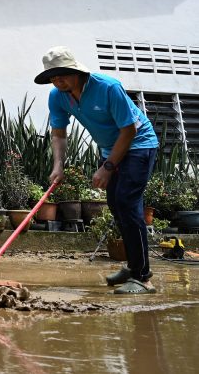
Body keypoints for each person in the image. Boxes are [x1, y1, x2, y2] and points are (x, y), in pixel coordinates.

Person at [35, 46, 159, 294]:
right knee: (116, 205)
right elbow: (59, 133)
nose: (57, 80)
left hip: (139, 145)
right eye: (53, 76)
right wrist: (58, 164)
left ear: (77, 71)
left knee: (126, 202)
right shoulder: (57, 96)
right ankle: (134, 267)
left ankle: (143, 277)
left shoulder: (108, 87)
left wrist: (108, 167)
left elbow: (129, 130)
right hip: (109, 150)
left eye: (62, 74)